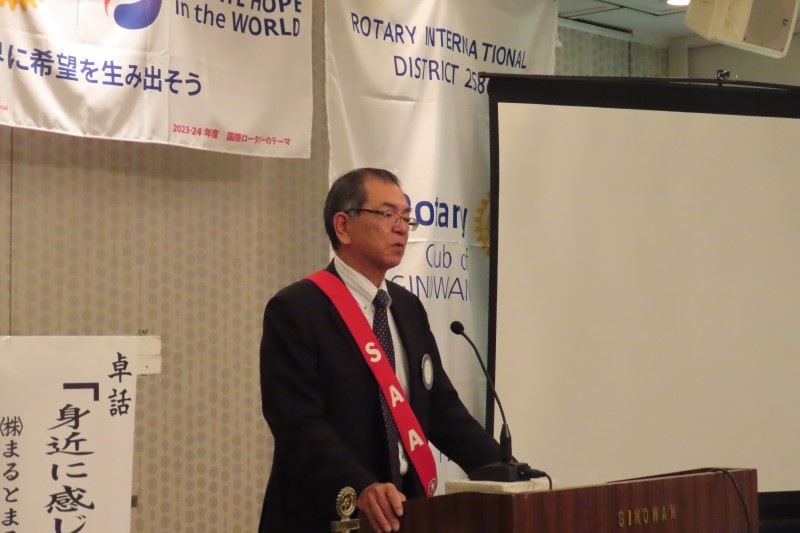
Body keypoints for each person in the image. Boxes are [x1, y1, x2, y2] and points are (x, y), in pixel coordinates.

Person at [259, 168, 503, 533]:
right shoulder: (297, 309)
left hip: (408, 511)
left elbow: (440, 408)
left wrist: (505, 471)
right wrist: (360, 486)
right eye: (388, 214)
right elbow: (297, 423)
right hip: (327, 514)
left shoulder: (407, 307)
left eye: (406, 217)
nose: (401, 228)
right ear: (343, 226)